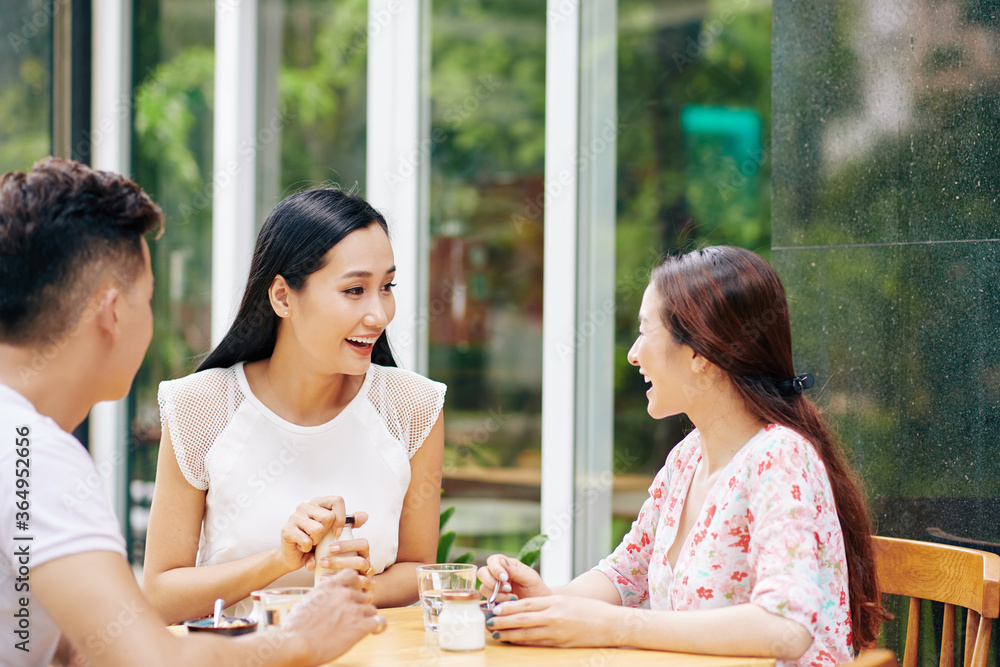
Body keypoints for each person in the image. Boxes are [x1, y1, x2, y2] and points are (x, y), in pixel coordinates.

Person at [0, 157, 383, 667]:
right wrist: (301, 639)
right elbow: (148, 660)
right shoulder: (36, 458)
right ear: (113, 312)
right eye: (149, 300)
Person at [477, 246, 888, 666]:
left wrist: (612, 625)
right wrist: (544, 602)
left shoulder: (780, 458)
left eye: (644, 331)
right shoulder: (687, 457)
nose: (633, 354)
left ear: (699, 355)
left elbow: (785, 629)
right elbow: (625, 574)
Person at [142, 187, 446, 624]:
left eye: (387, 287)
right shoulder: (199, 407)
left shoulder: (413, 406)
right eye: (356, 289)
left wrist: (345, 588)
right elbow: (160, 594)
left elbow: (420, 569)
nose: (379, 314)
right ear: (283, 297)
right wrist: (282, 560)